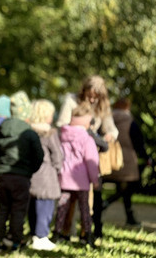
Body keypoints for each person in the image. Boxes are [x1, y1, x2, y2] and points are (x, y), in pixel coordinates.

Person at [56, 75, 118, 240]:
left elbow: (111, 129)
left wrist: (108, 137)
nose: (91, 99)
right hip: (72, 155)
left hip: (91, 155)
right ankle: (65, 231)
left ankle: (89, 231)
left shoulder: (103, 106)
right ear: (83, 91)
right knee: (68, 198)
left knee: (91, 199)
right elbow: (61, 125)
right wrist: (80, 132)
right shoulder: (71, 100)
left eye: (95, 97)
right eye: (89, 95)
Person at [0, 91, 44, 251]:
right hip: (21, 177)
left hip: (3, 176)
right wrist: (29, 170)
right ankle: (15, 242)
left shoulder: (0, 128)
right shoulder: (30, 133)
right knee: (18, 210)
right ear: (26, 114)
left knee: (2, 209)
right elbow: (39, 155)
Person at [54, 103, 100, 247]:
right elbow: (91, 161)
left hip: (65, 180)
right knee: (84, 209)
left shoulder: (62, 136)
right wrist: (95, 180)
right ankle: (88, 235)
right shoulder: (87, 139)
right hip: (81, 182)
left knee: (62, 207)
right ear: (87, 122)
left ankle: (57, 233)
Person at [102, 98, 150, 226]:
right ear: (127, 107)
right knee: (128, 188)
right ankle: (108, 204)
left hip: (109, 158)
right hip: (126, 160)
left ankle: (125, 215)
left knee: (121, 188)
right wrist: (146, 158)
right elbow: (139, 143)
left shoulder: (107, 121)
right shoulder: (130, 122)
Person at [27, 99, 63, 251]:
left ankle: (33, 233)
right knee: (46, 208)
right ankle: (41, 237)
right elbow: (57, 154)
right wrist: (58, 167)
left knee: (32, 207)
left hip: (30, 175)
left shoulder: (28, 131)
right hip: (47, 176)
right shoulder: (50, 133)